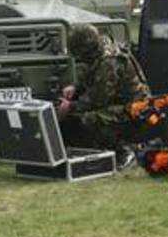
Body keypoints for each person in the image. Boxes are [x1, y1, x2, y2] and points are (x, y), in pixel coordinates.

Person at [58, 24, 150, 169]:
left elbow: (98, 99)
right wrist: (75, 87)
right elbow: (90, 73)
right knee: (79, 116)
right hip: (118, 104)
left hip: (134, 110)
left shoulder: (110, 62)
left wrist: (70, 106)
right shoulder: (100, 50)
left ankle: (125, 151)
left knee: (88, 119)